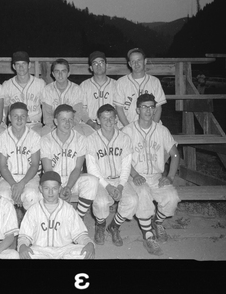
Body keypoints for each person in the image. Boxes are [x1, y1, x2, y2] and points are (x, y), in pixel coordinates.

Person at [122, 93, 180, 256]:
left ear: (155, 110)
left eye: (151, 107)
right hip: (135, 175)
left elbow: (175, 154)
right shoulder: (127, 130)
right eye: (144, 107)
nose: (148, 110)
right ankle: (148, 236)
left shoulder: (161, 130)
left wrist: (169, 177)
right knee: (144, 194)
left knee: (171, 197)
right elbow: (123, 158)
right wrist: (134, 174)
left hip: (156, 176)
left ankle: (158, 222)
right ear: (137, 109)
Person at [86, 104, 138, 246]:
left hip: (120, 179)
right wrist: (108, 187)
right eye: (104, 118)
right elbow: (92, 168)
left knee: (132, 200)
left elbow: (127, 165)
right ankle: (100, 225)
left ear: (116, 119)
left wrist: (121, 186)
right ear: (98, 120)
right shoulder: (91, 139)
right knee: (101, 203)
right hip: (101, 181)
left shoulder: (124, 138)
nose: (108, 122)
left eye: (111, 118)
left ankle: (114, 226)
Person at [18, 171, 95, 259]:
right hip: (41, 250)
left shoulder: (68, 209)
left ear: (59, 189)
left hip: (65, 250)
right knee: (23, 254)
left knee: (85, 253)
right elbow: (24, 236)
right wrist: (22, 246)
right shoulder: (33, 210)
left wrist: (89, 243)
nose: (50, 192)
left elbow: (80, 234)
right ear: (40, 189)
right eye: (46, 188)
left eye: (54, 188)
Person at [40, 104, 98, 220]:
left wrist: (68, 187)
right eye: (63, 120)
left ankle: (77, 217)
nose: (67, 123)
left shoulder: (80, 139)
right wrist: (60, 188)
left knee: (92, 181)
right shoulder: (46, 140)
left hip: (73, 180)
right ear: (56, 121)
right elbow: (48, 171)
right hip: (53, 181)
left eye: (70, 119)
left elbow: (78, 168)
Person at [0, 102, 42, 214]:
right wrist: (13, 185)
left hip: (29, 177)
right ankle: (8, 228)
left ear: (27, 117)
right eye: (15, 116)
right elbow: (2, 166)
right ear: (9, 118)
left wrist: (21, 184)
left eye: (23, 116)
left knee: (33, 196)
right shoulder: (2, 137)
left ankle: (29, 228)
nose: (19, 119)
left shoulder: (34, 136)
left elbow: (35, 165)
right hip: (7, 178)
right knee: (2, 196)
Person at [115, 48, 167, 129]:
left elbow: (158, 108)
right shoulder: (121, 82)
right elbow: (119, 109)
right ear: (129, 64)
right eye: (133, 61)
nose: (136, 64)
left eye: (139, 60)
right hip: (126, 126)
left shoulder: (154, 81)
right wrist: (129, 129)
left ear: (145, 61)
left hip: (151, 126)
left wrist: (152, 128)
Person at [41, 58, 93, 136]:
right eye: (57, 71)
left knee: (86, 135)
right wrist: (56, 127)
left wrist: (67, 126)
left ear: (68, 73)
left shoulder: (76, 89)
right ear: (53, 74)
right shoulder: (47, 89)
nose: (60, 74)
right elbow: (47, 116)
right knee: (39, 136)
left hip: (72, 125)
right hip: (52, 125)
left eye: (63, 71)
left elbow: (77, 115)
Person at [2, 51, 45, 135]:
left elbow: (46, 106)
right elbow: (5, 108)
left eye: (24, 64)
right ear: (14, 66)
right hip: (14, 124)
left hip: (34, 124)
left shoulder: (40, 83)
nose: (21, 67)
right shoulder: (7, 85)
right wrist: (4, 125)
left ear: (29, 65)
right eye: (18, 64)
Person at [80, 51, 118, 131]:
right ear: (91, 68)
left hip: (111, 125)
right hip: (89, 125)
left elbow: (119, 109)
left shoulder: (116, 85)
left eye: (101, 62)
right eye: (95, 63)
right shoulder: (84, 85)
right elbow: (81, 110)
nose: (98, 66)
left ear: (106, 65)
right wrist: (91, 124)